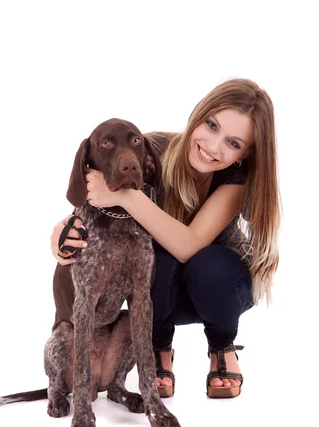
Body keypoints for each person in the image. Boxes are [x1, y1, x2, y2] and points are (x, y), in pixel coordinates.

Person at [50, 78, 281, 399]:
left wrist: (129, 197)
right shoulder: (147, 151)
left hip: (221, 291)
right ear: (198, 115)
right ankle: (159, 347)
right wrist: (63, 234)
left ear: (244, 155)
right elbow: (92, 207)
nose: (213, 146)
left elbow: (189, 244)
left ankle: (221, 346)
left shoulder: (235, 180)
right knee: (155, 258)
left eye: (233, 143)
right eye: (211, 125)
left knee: (208, 263)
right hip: (162, 290)